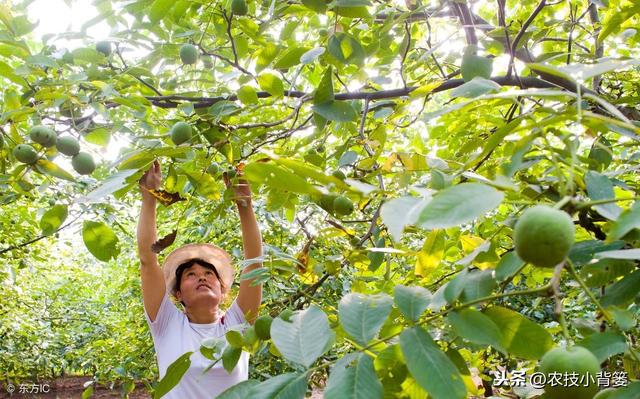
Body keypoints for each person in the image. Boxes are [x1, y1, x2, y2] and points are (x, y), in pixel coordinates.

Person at [136, 160, 263, 398]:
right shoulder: (167, 324)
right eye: (191, 274)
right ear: (178, 294)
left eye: (208, 274)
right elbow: (147, 260)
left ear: (223, 290)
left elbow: (255, 264)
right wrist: (150, 197)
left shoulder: (237, 323)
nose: (201, 278)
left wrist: (245, 205)